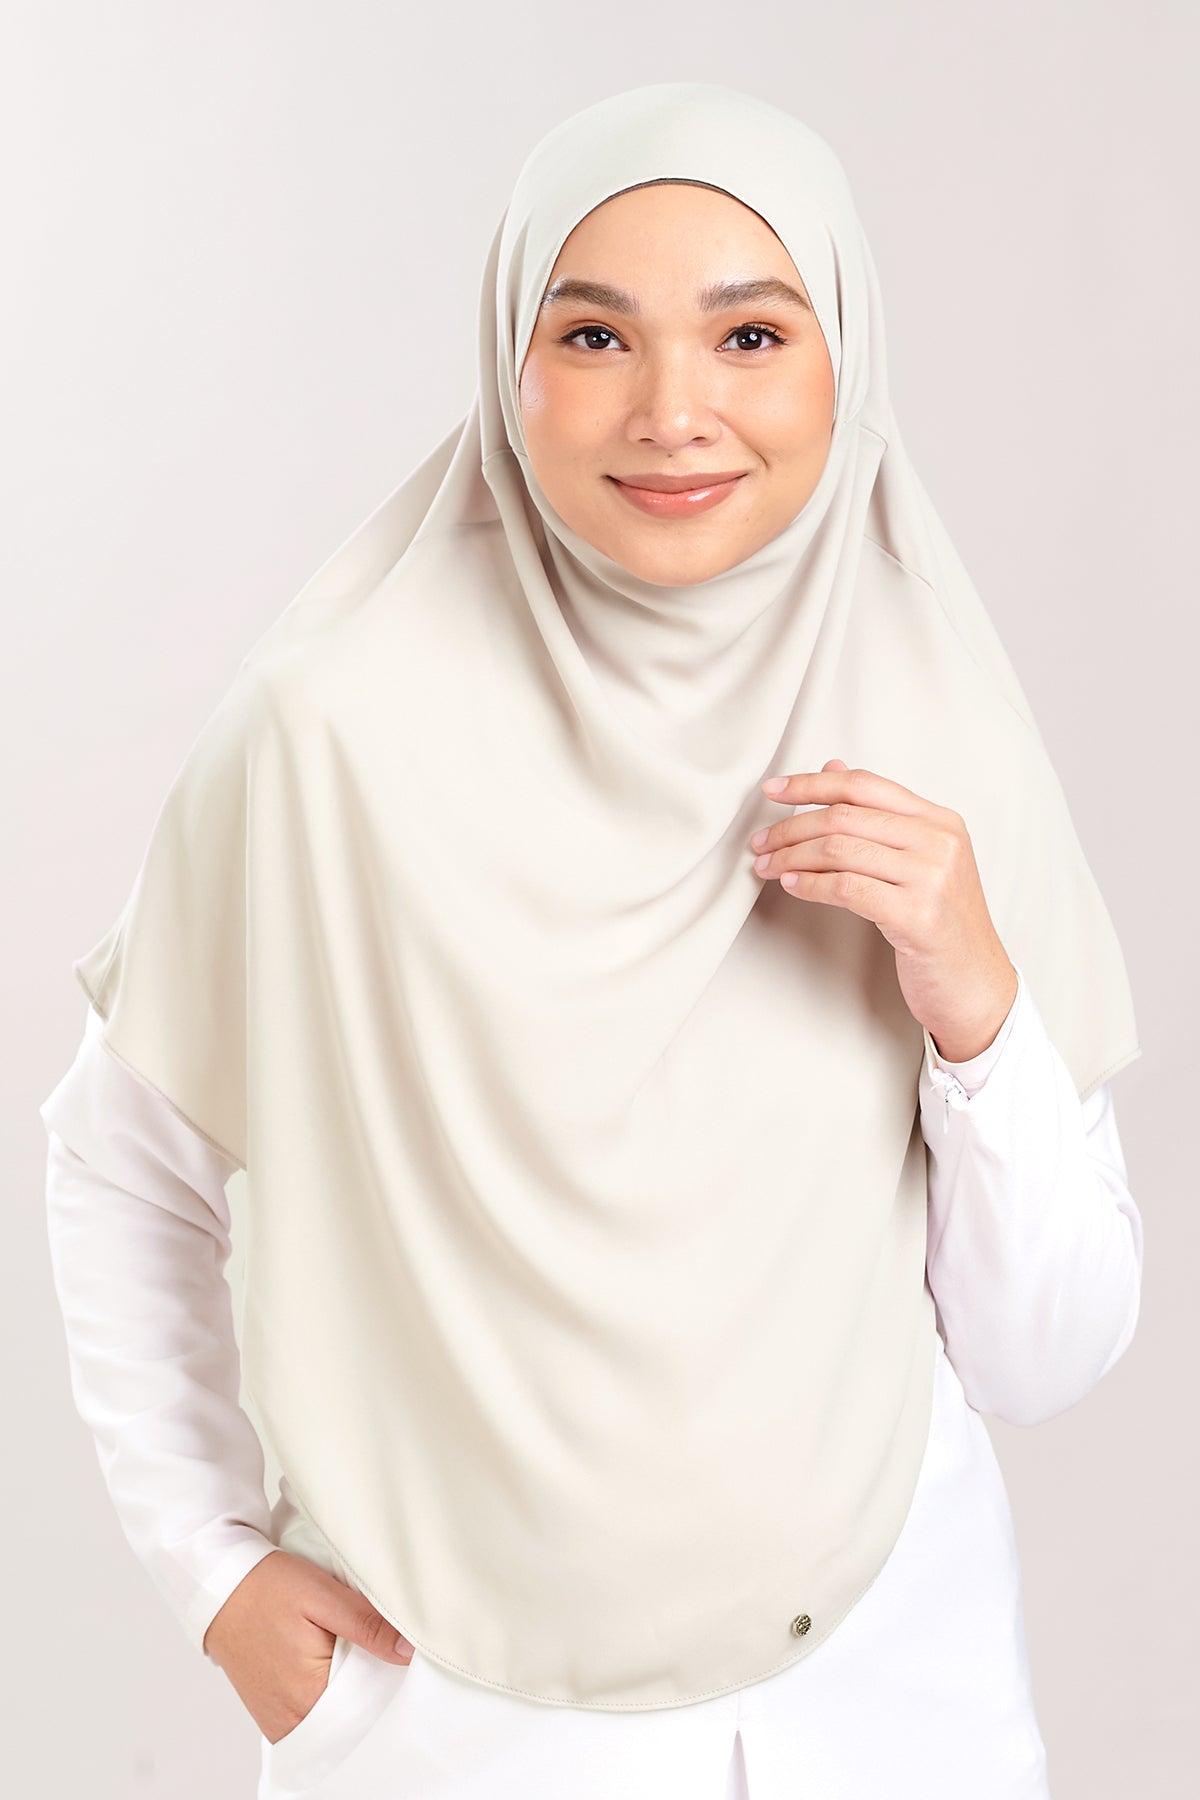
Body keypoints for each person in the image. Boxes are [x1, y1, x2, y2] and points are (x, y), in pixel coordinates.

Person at [41, 82, 1143, 1799]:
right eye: (595, 335)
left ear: (844, 359)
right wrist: (211, 1570)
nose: (673, 413)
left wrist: (977, 1003)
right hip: (452, 1727)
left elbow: (1044, 1358)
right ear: (512, 363)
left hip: (885, 1704)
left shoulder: (934, 735)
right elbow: (121, 1162)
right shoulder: (334, 738)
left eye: (751, 335)